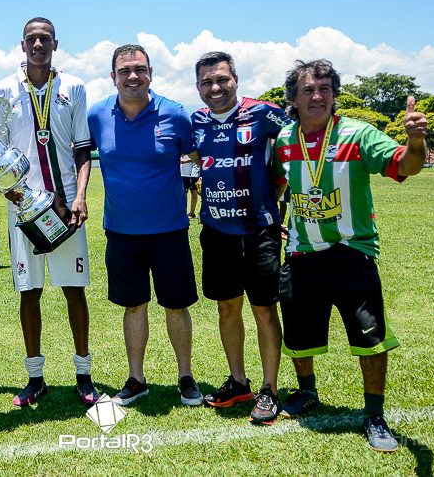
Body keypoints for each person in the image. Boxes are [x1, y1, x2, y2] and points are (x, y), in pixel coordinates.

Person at [274, 59, 428, 452]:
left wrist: (415, 142)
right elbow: (276, 182)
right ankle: (307, 391)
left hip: (351, 252)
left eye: (325, 88)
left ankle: (374, 413)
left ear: (334, 95)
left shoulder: (358, 134)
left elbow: (405, 165)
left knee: (370, 337)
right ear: (294, 98)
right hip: (301, 253)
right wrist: (274, 218)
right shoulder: (283, 139)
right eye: (308, 90)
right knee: (299, 334)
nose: (317, 96)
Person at [87, 44, 202, 407]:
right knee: (133, 306)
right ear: (113, 77)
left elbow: (200, 157)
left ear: (151, 73)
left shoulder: (175, 113)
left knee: (176, 306)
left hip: (169, 230)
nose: (132, 76)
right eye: (124, 70)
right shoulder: (97, 115)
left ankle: (185, 377)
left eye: (139, 69)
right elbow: (77, 155)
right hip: (121, 232)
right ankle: (136, 379)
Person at [0, 17, 98, 407]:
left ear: (55, 43)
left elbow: (82, 148)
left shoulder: (73, 86)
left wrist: (80, 196)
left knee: (74, 290)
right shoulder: (4, 89)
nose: (38, 44)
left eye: (45, 39)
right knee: (29, 292)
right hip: (23, 206)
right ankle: (35, 379)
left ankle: (84, 376)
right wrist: (15, 193)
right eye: (32, 39)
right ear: (22, 45)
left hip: (66, 206)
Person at [190, 51, 291, 424]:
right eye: (207, 82)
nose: (215, 88)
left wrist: (276, 197)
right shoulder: (195, 122)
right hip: (217, 232)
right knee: (226, 308)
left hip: (259, 231)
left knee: (264, 309)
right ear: (198, 86)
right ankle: (238, 381)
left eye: (222, 80)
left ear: (235, 80)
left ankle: (270, 389)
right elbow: (192, 158)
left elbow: (297, 144)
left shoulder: (264, 113)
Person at [180, 154, 199, 218]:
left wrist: (185, 161)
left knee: (194, 193)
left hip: (192, 174)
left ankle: (191, 213)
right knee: (182, 195)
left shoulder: (193, 149)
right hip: (182, 174)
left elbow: (197, 158)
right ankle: (183, 213)